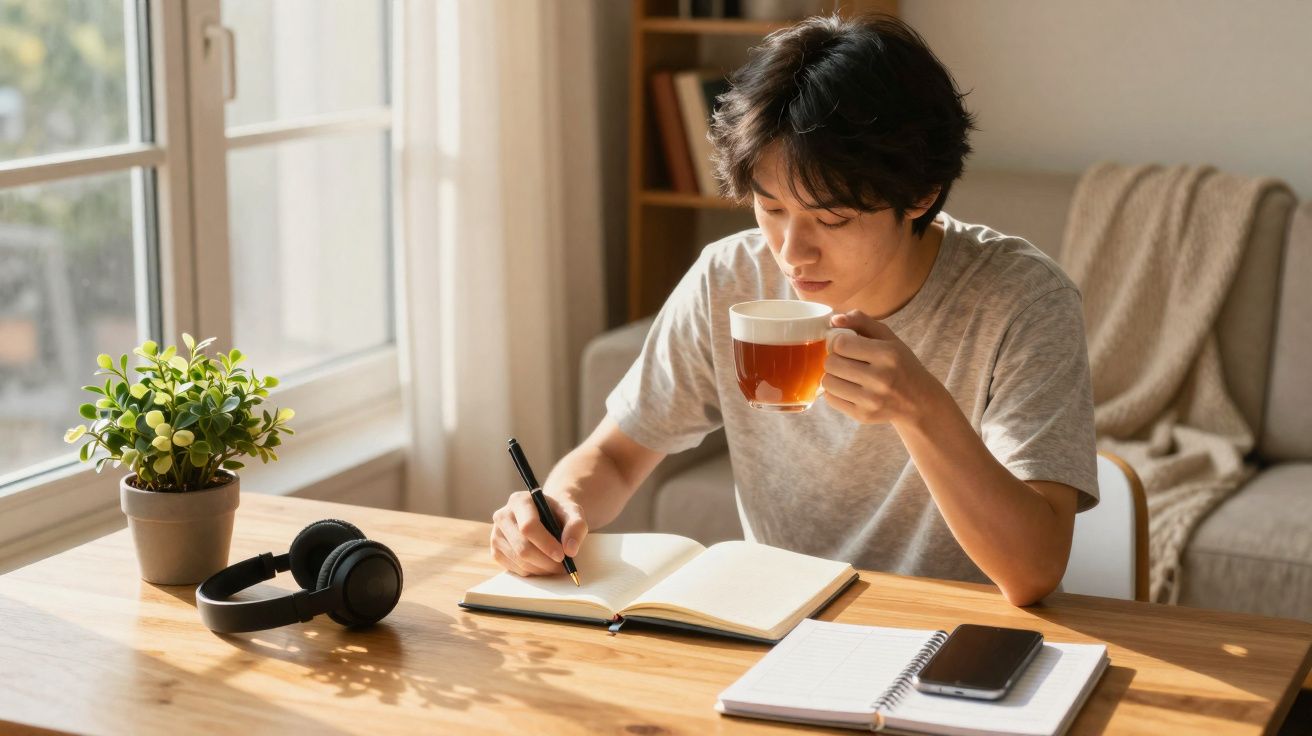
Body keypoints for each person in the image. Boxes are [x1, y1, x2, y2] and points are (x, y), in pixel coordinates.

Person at [489, 14, 1097, 606]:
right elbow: (616, 457)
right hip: (780, 624)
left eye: (832, 219)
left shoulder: (1022, 299)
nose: (790, 253)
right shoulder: (729, 278)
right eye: (772, 208)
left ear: (920, 195)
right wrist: (558, 509)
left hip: (960, 635)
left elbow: (1033, 572)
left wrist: (922, 409)